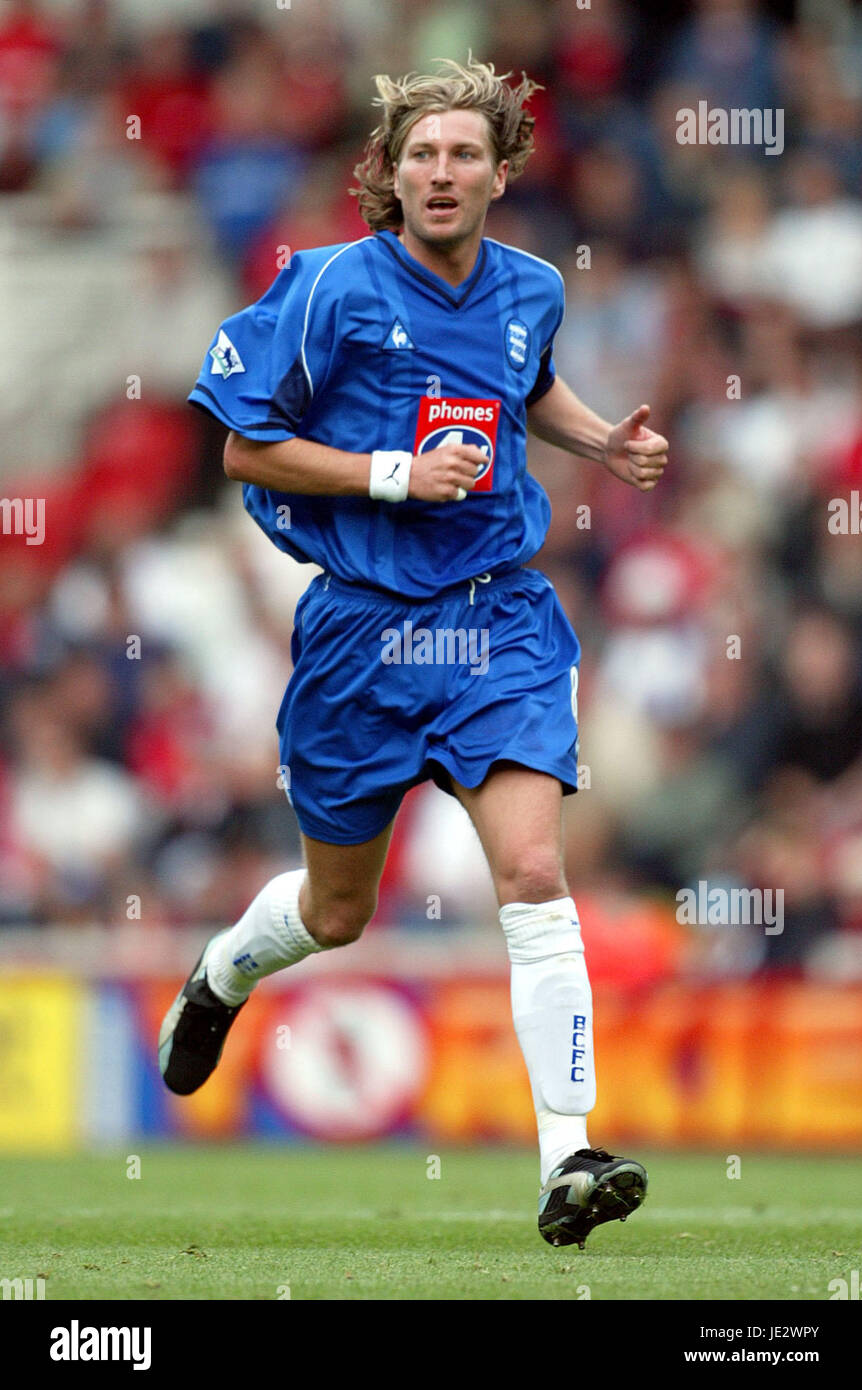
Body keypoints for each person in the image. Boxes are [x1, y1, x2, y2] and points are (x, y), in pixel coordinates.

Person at [159, 57, 668, 1250]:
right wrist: (388, 473)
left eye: (463, 155)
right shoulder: (328, 287)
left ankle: (565, 1157)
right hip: (359, 632)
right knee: (339, 913)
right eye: (420, 155)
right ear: (387, 174)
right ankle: (221, 975)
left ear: (500, 173)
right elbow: (243, 449)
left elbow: (521, 386)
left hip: (497, 618)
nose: (441, 173)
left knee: (533, 871)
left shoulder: (533, 287)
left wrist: (601, 442)